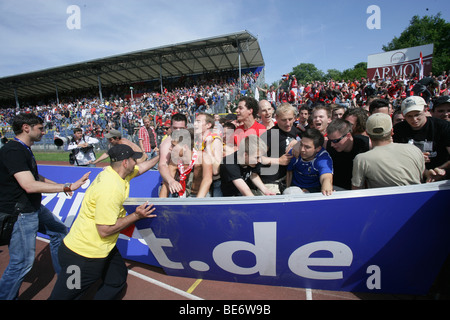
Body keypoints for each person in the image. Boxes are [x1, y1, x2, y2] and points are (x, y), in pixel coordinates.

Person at [49, 144, 158, 300]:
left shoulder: (115, 172)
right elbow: (105, 230)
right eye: (134, 159)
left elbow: (141, 168)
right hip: (83, 255)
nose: (136, 162)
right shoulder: (111, 189)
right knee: (65, 296)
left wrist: (161, 156)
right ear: (125, 162)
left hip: (102, 247)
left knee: (116, 280)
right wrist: (136, 215)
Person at [0, 113, 90, 300]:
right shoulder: (13, 150)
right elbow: (29, 185)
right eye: (40, 128)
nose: (44, 132)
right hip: (21, 212)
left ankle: (64, 279)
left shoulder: (24, 149)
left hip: (31, 207)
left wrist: (62, 186)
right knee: (21, 263)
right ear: (26, 128)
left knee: (58, 231)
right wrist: (65, 187)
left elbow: (35, 177)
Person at [352, 113, 433, 189]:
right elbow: (422, 176)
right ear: (392, 131)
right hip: (418, 200)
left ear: (367, 133)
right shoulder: (414, 150)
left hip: (385, 202)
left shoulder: (361, 159)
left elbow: (357, 190)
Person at [393, 96, 450, 177]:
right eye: (409, 116)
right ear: (403, 115)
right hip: (411, 173)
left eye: (417, 114)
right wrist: (415, 158)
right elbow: (395, 156)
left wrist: (440, 170)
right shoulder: (398, 129)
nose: (414, 119)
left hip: (440, 171)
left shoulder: (443, 126)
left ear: (425, 110)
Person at [259, 103, 301, 194]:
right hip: (270, 183)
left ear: (294, 117)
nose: (288, 123)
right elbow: (254, 158)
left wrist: (299, 143)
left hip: (288, 179)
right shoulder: (269, 135)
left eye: (290, 119)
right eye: (283, 120)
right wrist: (278, 160)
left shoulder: (294, 129)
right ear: (277, 118)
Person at [165, 128, 213, 198]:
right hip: (181, 194)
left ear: (185, 147)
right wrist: (161, 204)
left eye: (173, 145)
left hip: (199, 194)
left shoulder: (203, 157)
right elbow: (166, 184)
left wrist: (197, 202)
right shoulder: (174, 159)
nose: (170, 148)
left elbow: (207, 180)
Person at [285, 128, 334, 196]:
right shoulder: (295, 153)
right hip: (295, 189)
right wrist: (287, 188)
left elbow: (326, 176)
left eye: (307, 147)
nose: (302, 149)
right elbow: (289, 172)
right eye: (301, 144)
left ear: (318, 149)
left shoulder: (323, 158)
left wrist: (326, 187)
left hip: (314, 190)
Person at [326, 119, 370, 190]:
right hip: (337, 188)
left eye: (335, 141)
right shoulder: (329, 146)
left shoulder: (365, 144)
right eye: (330, 140)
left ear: (348, 135)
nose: (332, 144)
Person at [158, 113, 188, 197]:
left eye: (181, 128)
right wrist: (171, 181)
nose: (178, 130)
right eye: (175, 128)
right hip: (171, 186)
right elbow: (162, 165)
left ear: (186, 128)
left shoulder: (189, 140)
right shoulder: (167, 144)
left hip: (187, 185)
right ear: (171, 127)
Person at [194, 113, 223, 197]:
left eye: (198, 122)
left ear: (208, 125)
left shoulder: (215, 140)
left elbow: (215, 170)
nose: (195, 124)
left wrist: (208, 148)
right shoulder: (196, 141)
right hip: (198, 183)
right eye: (195, 121)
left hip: (214, 185)